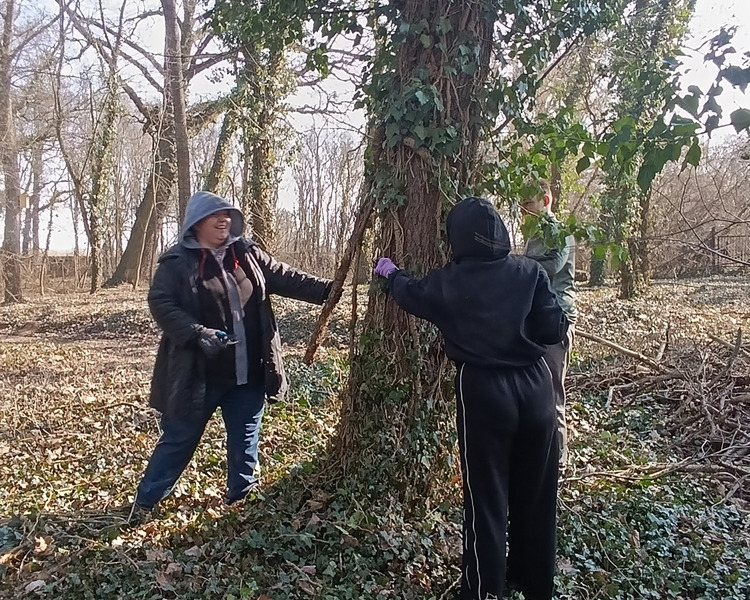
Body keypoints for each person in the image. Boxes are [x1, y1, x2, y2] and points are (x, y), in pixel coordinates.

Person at [373, 197, 568, 600]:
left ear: (458, 238)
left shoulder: (452, 280)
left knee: (487, 499)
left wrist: (391, 274)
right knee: (536, 494)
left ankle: (484, 591)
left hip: (484, 392)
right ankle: (534, 584)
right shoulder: (529, 271)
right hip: (537, 388)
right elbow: (554, 328)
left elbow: (413, 294)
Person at [129, 191, 332, 521]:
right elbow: (161, 303)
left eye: (228, 215)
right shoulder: (177, 262)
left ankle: (241, 498)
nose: (223, 220)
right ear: (197, 223)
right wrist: (198, 333)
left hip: (248, 372)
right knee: (180, 439)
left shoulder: (246, 253)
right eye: (215, 215)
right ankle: (145, 503)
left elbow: (284, 276)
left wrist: (328, 290)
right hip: (199, 376)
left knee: (245, 438)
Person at [520, 179, 577, 468]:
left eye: (528, 204)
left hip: (556, 320)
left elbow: (552, 266)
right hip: (534, 321)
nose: (524, 211)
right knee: (533, 391)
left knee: (553, 392)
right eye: (521, 206)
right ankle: (538, 457)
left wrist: (518, 265)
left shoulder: (559, 232)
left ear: (545, 201)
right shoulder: (533, 233)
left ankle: (558, 460)